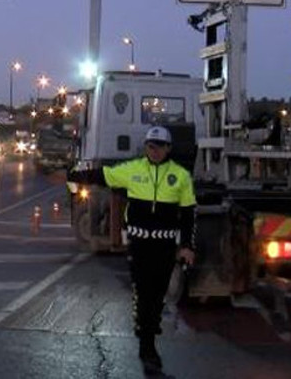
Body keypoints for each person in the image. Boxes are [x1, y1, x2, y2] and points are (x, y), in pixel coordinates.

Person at [67, 125, 196, 373]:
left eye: (159, 147)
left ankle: (148, 335)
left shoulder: (180, 176)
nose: (154, 151)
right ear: (145, 147)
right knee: (144, 292)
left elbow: (189, 213)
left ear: (168, 148)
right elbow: (102, 175)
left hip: (166, 246)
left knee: (157, 295)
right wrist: (73, 176)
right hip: (140, 245)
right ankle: (147, 345)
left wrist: (187, 246)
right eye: (150, 146)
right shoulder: (132, 170)